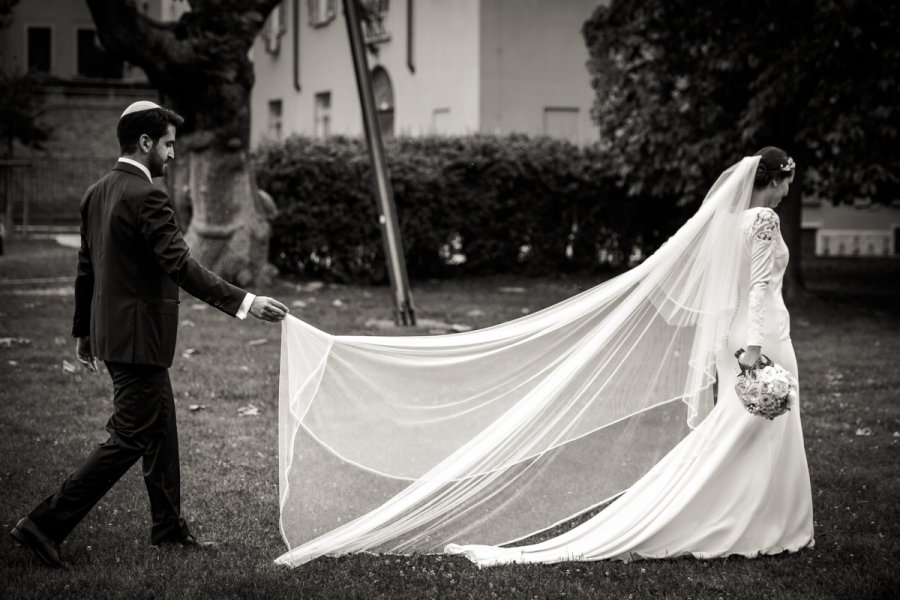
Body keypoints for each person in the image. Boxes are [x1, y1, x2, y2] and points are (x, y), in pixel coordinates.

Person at [272, 148, 813, 567]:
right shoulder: (762, 222)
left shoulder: (722, 221)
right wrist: (756, 351)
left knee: (744, 432)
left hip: (734, 339)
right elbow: (761, 289)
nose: (789, 191)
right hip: (755, 340)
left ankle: (749, 516)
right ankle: (749, 520)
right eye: (788, 181)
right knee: (753, 431)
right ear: (776, 178)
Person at [9, 101, 289, 569]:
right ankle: (44, 524)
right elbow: (179, 264)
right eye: (168, 144)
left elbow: (87, 271)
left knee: (160, 433)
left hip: (118, 335)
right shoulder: (147, 196)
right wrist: (245, 302)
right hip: (138, 338)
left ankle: (168, 528)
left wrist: (84, 332)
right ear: (145, 143)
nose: (172, 155)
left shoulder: (96, 192)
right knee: (130, 436)